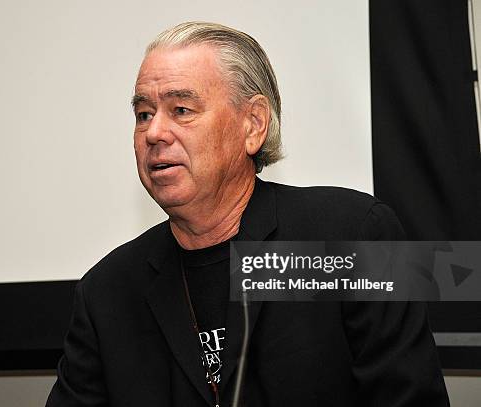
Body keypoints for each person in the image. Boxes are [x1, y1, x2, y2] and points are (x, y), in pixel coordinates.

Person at [46, 22, 449, 406]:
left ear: (253, 124)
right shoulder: (107, 292)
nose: (153, 133)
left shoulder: (355, 233)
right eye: (144, 115)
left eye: (181, 109)